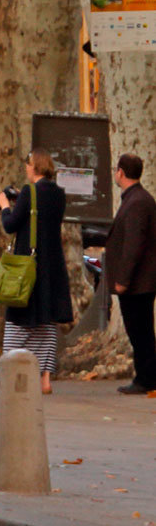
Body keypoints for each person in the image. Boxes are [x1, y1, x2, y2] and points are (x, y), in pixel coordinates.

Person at [0, 150, 72, 394]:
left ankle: (5, 375)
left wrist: (5, 206)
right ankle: (45, 378)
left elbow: (10, 225)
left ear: (35, 167)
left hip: (29, 264)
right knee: (46, 322)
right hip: (53, 265)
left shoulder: (30, 192)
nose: (26, 169)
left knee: (17, 321)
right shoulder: (59, 194)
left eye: (28, 165)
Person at [106, 152, 156, 395]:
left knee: (140, 331)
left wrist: (123, 280)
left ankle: (146, 378)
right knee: (140, 330)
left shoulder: (137, 202)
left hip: (138, 284)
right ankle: (146, 376)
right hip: (140, 282)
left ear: (121, 173)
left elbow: (134, 245)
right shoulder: (137, 199)